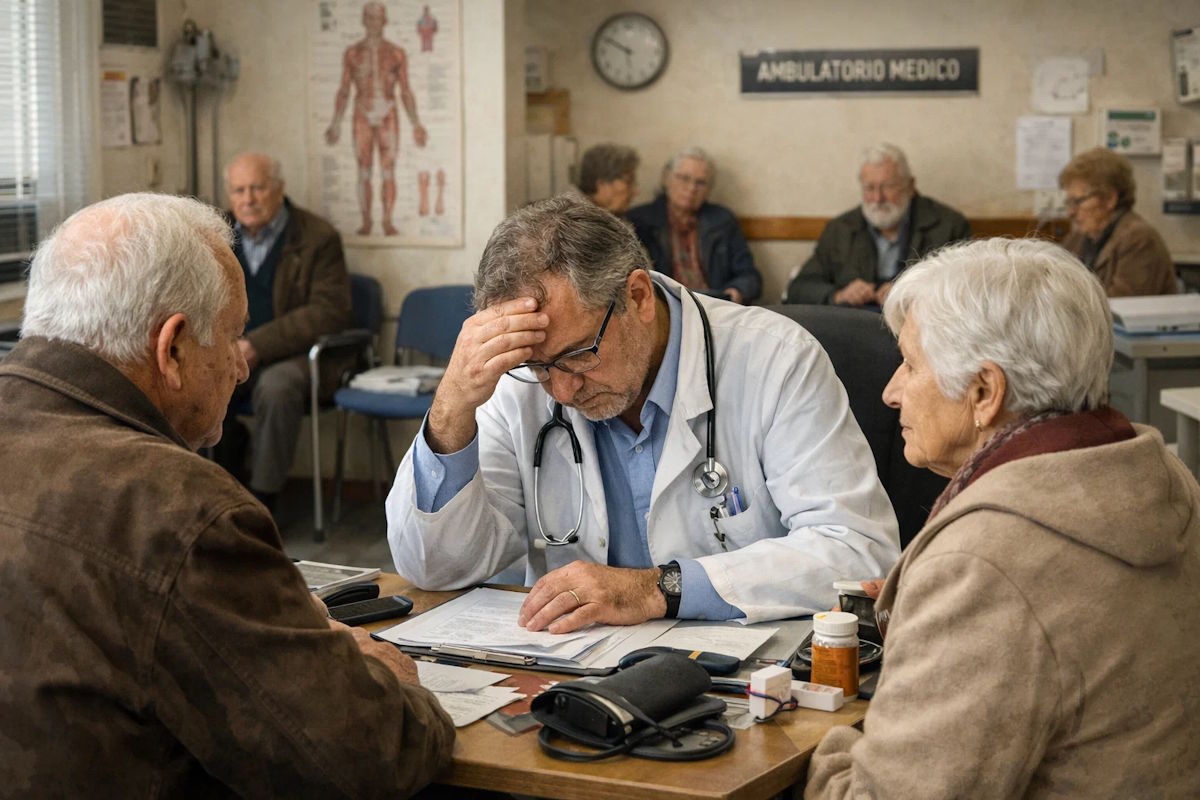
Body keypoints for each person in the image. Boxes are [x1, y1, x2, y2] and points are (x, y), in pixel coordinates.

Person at [0, 193, 453, 796]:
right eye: (235, 339)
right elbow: (370, 757)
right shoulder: (180, 509)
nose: (242, 369)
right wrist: (381, 676)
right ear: (174, 350)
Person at [387, 196, 899, 632]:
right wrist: (452, 408)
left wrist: (656, 590)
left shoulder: (775, 359)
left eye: (578, 355)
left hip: (745, 676)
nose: (562, 389)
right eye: (541, 368)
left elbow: (857, 550)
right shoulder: (521, 378)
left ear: (637, 296)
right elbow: (435, 567)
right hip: (574, 675)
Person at [805, 238, 1200, 798]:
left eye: (910, 364)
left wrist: (828, 742)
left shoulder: (984, 563)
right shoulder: (1164, 475)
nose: (892, 392)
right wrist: (928, 628)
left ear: (985, 392)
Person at [219, 152, 354, 510]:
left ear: (279, 189)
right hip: (231, 352)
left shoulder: (318, 238)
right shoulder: (215, 235)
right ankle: (213, 490)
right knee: (196, 375)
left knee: (276, 387)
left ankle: (262, 503)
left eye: (257, 188)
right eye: (238, 190)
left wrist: (257, 345)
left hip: (298, 356)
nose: (248, 199)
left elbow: (329, 312)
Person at [784, 143, 970, 307]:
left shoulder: (949, 226)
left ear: (910, 186)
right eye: (869, 188)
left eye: (887, 186)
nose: (877, 198)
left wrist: (912, 291)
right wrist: (838, 295)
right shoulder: (839, 229)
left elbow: (965, 290)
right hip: (853, 328)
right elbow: (799, 289)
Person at [325, 1, 428, 236]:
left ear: (384, 21)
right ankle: (366, 221)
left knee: (388, 170)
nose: (374, 23)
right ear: (364, 21)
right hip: (362, 111)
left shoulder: (396, 53)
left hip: (388, 113)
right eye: (369, 18)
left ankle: (387, 220)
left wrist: (416, 124)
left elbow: (405, 90)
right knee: (364, 170)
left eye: (378, 18)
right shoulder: (352, 53)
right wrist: (335, 123)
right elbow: (343, 90)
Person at [627, 146, 762, 303]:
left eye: (700, 182)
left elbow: (750, 276)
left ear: (708, 189)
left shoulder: (723, 220)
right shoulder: (640, 220)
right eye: (684, 178)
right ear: (666, 178)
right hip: (666, 308)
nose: (691, 188)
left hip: (715, 305)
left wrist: (734, 293)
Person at [1058, 146, 1177, 297]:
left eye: (1078, 201)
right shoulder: (1079, 238)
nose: (1070, 213)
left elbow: (1119, 308)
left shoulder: (1140, 240)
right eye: (1069, 202)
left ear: (1109, 199)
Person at [571, 143, 640, 216]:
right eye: (628, 182)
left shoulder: (611, 217)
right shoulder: (573, 222)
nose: (635, 191)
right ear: (602, 184)